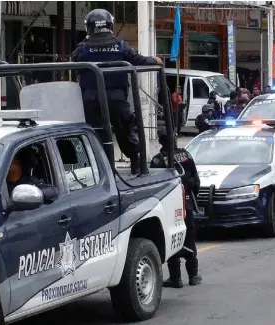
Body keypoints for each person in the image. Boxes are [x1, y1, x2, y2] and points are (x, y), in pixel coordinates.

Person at [72, 8, 163, 174]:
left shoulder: (82, 49)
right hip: (117, 99)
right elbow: (139, 60)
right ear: (109, 25)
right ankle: (137, 163)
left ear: (89, 28)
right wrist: (155, 60)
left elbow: (73, 63)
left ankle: (102, 169)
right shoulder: (120, 46)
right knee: (126, 131)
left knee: (96, 134)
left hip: (91, 101)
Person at [150, 128, 201, 288]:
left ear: (160, 141)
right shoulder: (186, 155)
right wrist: (191, 199)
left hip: (170, 207)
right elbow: (196, 181)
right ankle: (193, 276)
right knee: (189, 239)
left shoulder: (157, 161)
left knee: (173, 239)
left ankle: (176, 278)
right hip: (187, 204)